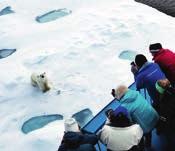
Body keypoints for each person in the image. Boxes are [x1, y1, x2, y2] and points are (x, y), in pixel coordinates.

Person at [155, 79, 175, 151]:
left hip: (171, 121)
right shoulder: (172, 89)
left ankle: (171, 145)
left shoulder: (165, 103)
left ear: (160, 90)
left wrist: (159, 126)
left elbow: (165, 118)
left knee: (167, 130)